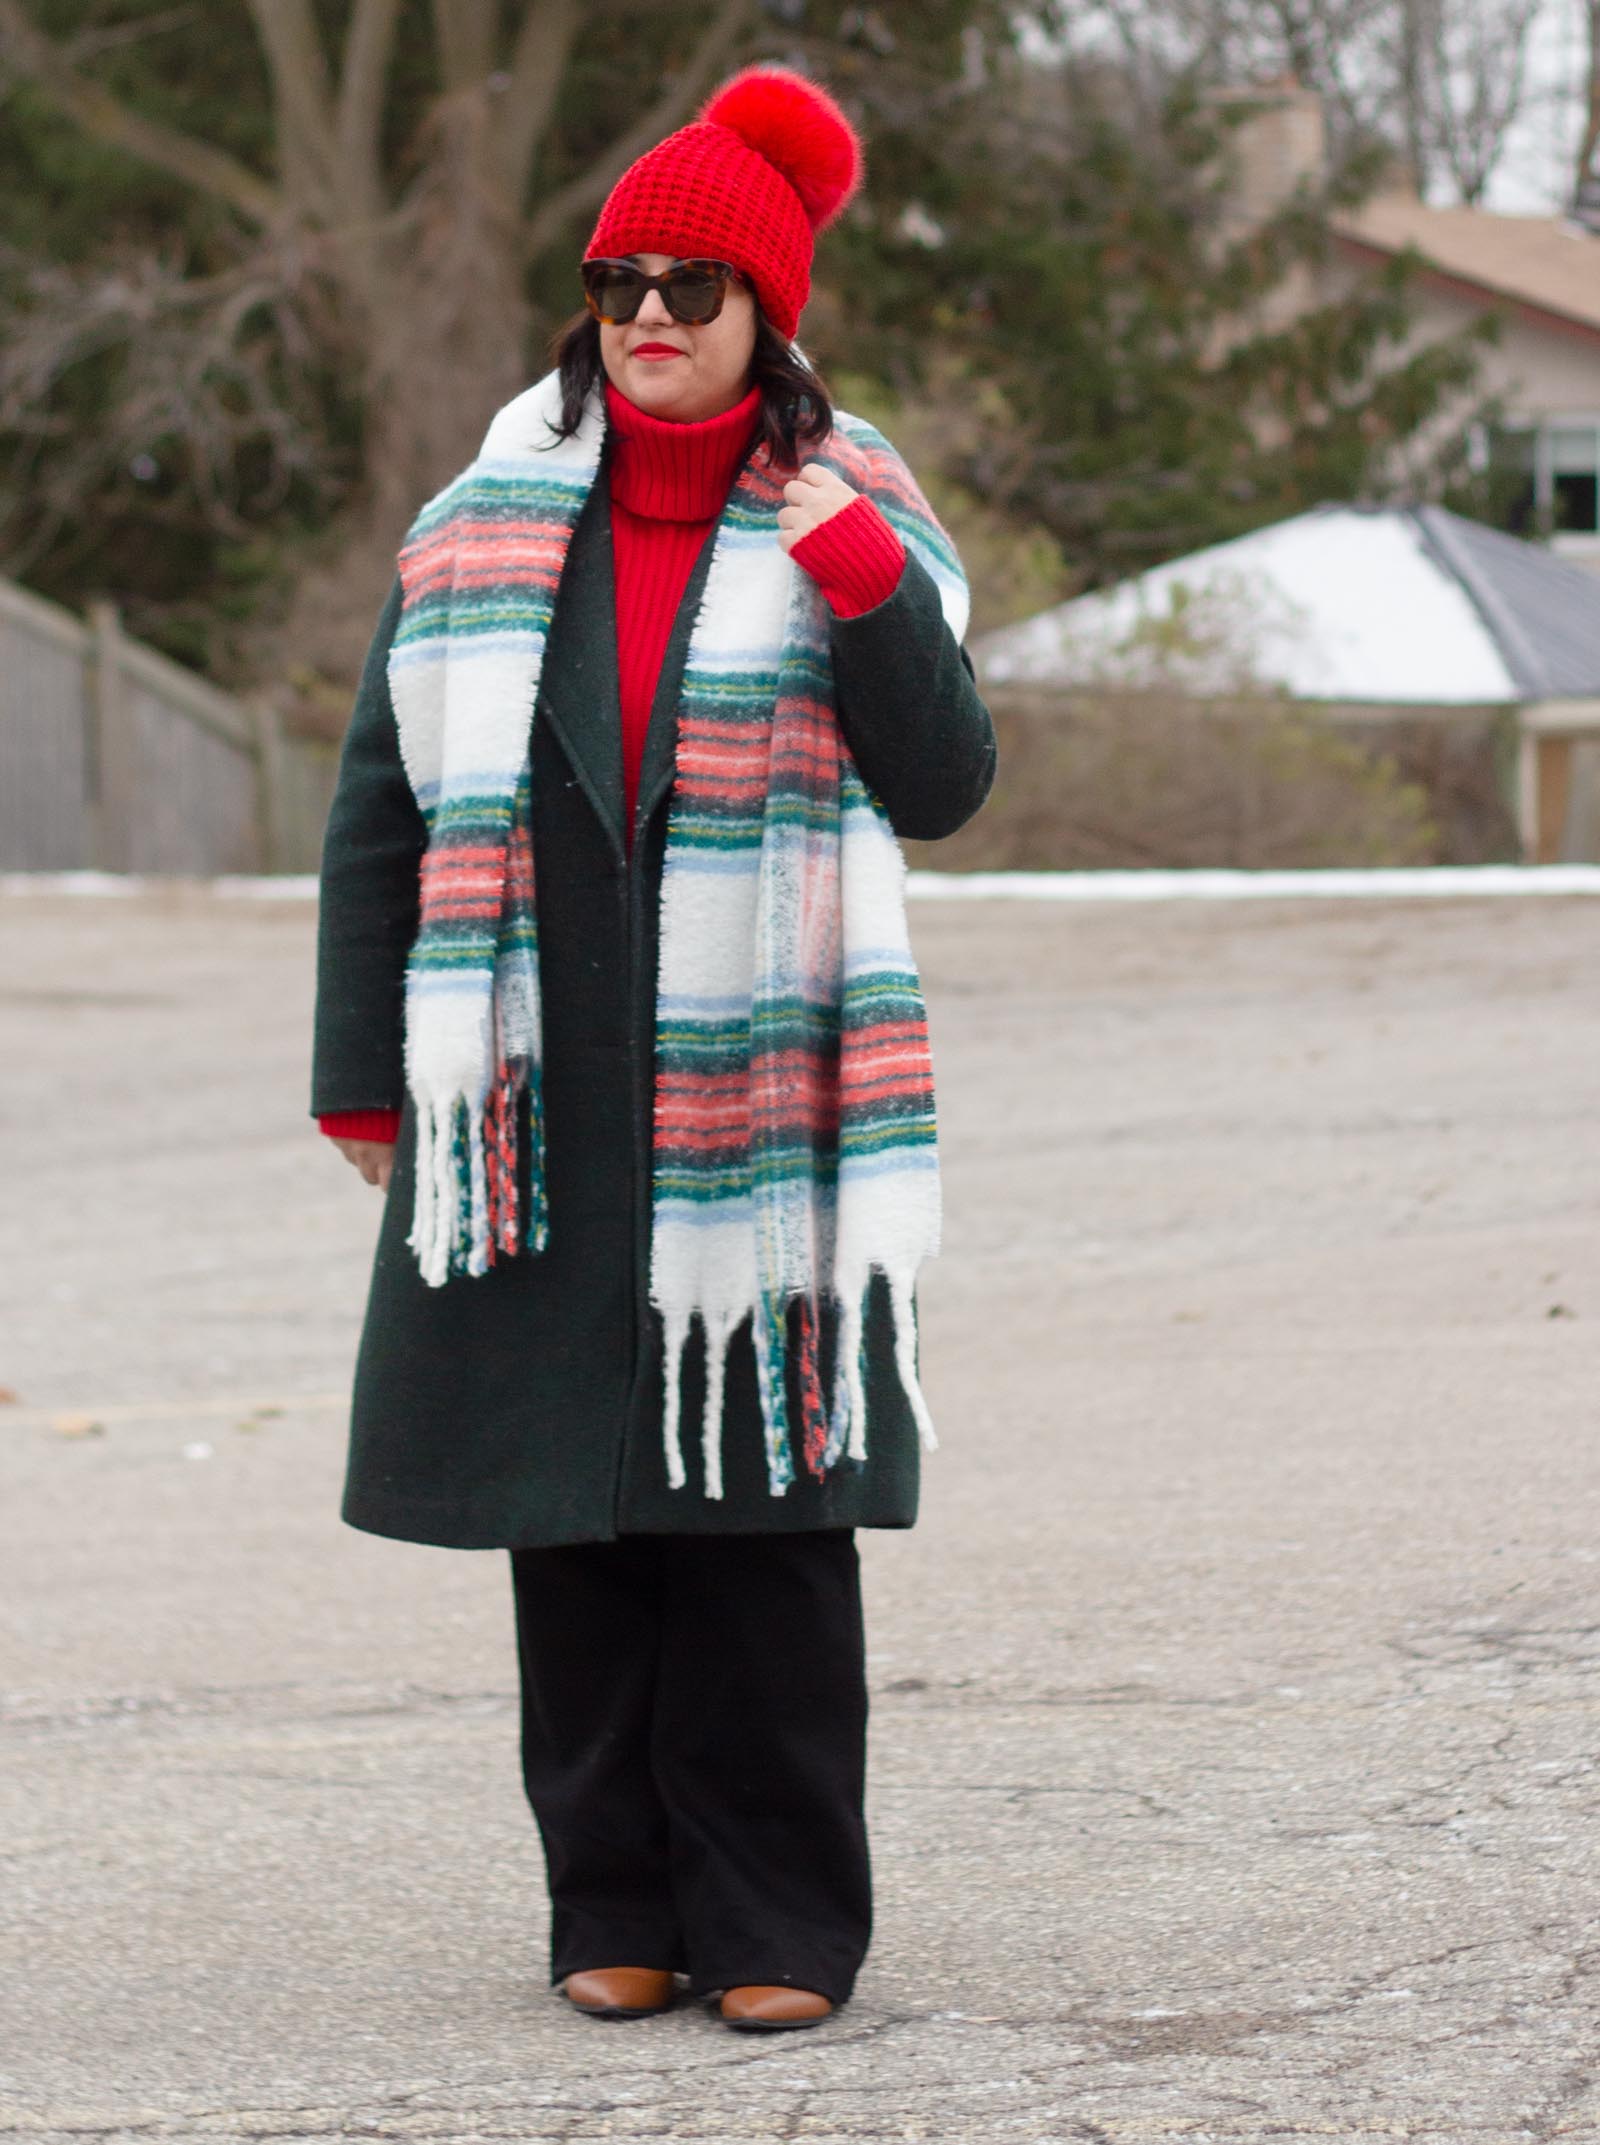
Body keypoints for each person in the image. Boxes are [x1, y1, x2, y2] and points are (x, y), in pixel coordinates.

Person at [311, 63, 995, 2034]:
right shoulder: (479, 524)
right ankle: (607, 1895)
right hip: (536, 1090)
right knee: (574, 1519)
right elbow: (382, 798)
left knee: (762, 1534)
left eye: (696, 286)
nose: (651, 317)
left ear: (765, 313)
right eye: (621, 279)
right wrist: (369, 1068)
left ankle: (779, 1918)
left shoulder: (855, 511)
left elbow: (941, 777)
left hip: (759, 1106)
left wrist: (858, 582)